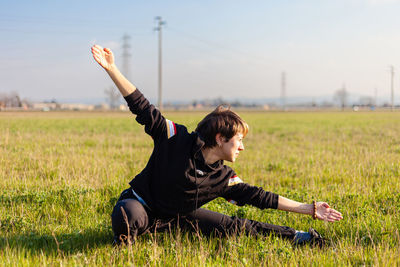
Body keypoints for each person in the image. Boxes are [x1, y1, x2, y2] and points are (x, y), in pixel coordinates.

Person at [91, 45, 343, 247]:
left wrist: (309, 209)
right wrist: (112, 69)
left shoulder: (223, 177)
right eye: (239, 140)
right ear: (221, 138)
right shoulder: (175, 138)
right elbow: (142, 107)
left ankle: (300, 237)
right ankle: (124, 243)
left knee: (236, 226)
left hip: (179, 217)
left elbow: (260, 197)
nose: (242, 147)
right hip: (142, 205)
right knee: (128, 217)